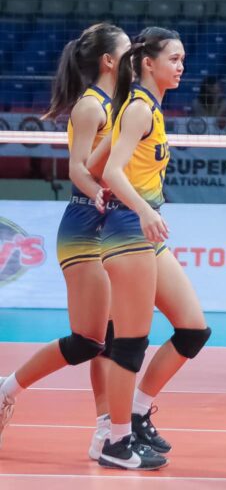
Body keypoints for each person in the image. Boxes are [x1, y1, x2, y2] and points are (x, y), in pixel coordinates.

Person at [0, 24, 129, 457]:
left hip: (110, 224)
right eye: (128, 51)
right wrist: (98, 192)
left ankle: (106, 429)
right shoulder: (91, 106)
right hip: (84, 225)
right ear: (109, 61)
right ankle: (7, 388)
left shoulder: (121, 104)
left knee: (107, 336)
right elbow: (77, 168)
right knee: (87, 340)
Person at [97, 27, 211, 470]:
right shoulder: (140, 110)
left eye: (183, 60)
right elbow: (111, 170)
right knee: (130, 342)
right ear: (149, 63)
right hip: (129, 231)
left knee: (192, 329)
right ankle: (116, 440)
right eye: (174, 59)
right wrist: (143, 210)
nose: (181, 67)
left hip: (143, 232)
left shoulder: (152, 110)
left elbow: (94, 165)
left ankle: (139, 412)